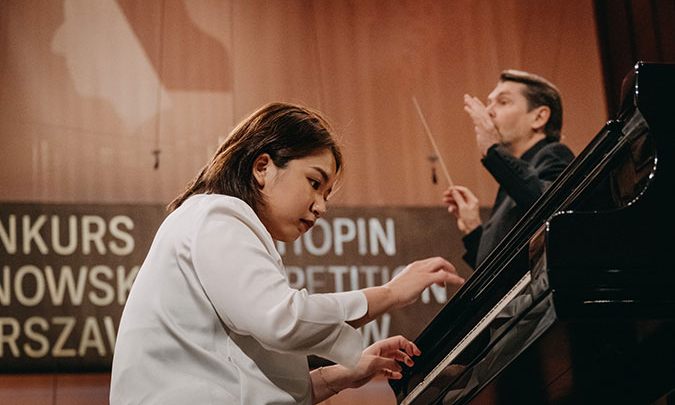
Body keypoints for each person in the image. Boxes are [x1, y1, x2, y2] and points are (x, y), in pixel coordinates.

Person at [110, 102, 465, 405]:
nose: (321, 207)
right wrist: (390, 293)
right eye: (314, 183)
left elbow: (250, 380)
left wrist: (342, 374)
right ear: (262, 167)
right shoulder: (218, 216)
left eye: (326, 194)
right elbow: (283, 321)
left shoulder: (222, 224)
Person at [442, 70, 575, 270]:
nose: (489, 112)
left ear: (539, 117)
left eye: (503, 102)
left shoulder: (554, 154)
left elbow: (549, 209)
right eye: (489, 103)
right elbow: (498, 270)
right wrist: (472, 227)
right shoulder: (514, 176)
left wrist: (492, 150)